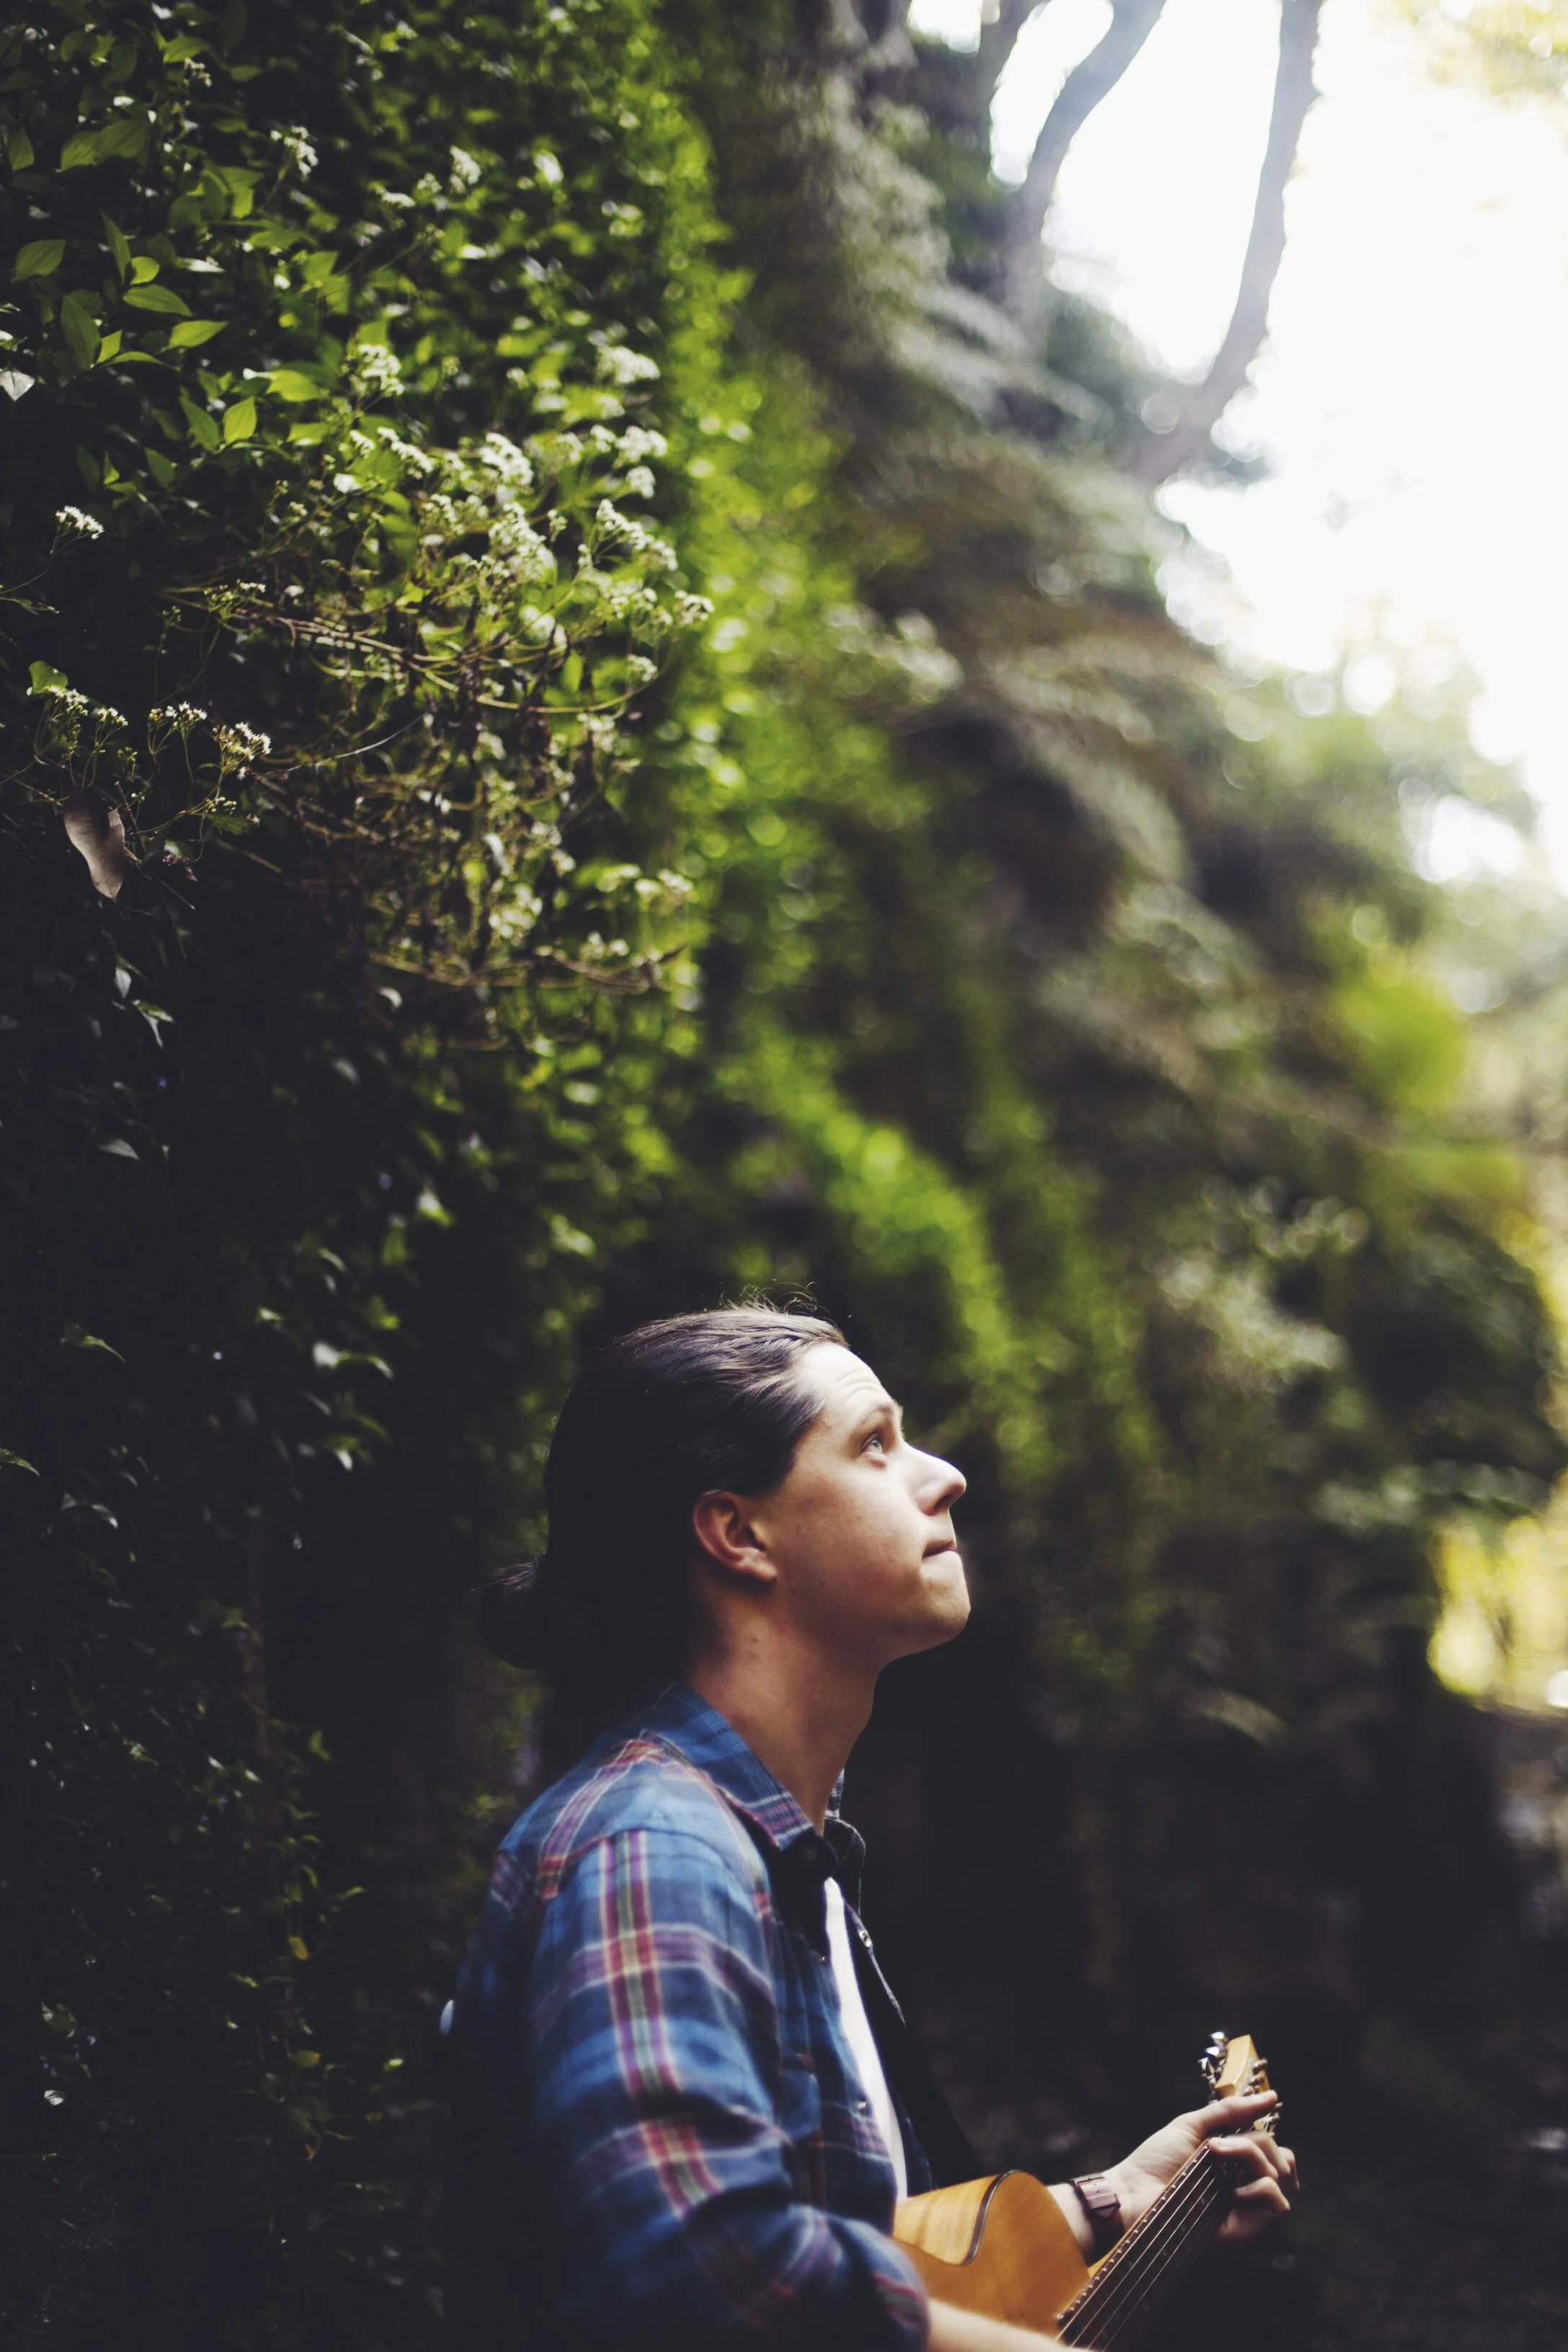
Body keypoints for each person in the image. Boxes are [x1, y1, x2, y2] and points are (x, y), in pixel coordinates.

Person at [444, 1306, 1295, 2350]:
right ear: (738, 1533)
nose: (945, 1476)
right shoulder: (654, 1851)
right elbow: (699, 2271)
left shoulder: (789, 1859)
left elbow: (825, 2249)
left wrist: (1115, 2199)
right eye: (875, 1445)